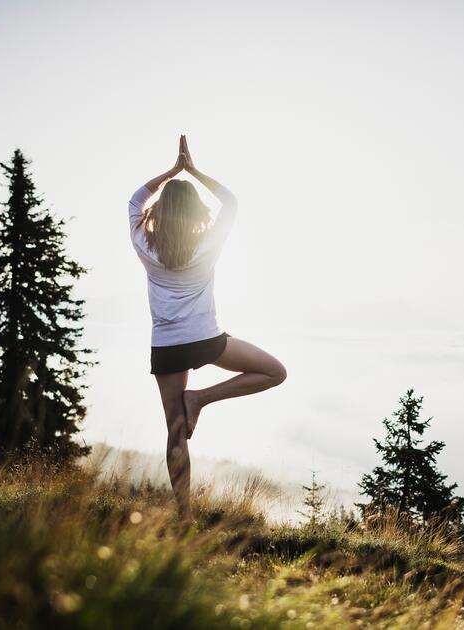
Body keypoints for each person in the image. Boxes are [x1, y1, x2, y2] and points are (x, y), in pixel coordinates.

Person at [128, 135, 287, 524]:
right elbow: (230, 202)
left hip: (166, 346)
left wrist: (171, 172)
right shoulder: (207, 245)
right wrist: (193, 171)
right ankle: (201, 398)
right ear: (196, 211)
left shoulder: (143, 244)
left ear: (161, 211)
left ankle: (184, 516)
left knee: (175, 433)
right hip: (206, 340)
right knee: (275, 372)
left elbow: (136, 200)